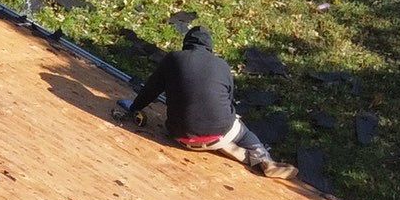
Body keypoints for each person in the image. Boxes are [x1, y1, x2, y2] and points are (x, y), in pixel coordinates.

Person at [116, 24, 281, 173]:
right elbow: (228, 100)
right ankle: (263, 158)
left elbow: (150, 91)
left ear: (186, 44)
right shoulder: (222, 65)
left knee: (195, 125)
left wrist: (133, 107)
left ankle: (219, 145)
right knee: (243, 133)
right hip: (221, 131)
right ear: (209, 48)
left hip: (181, 136)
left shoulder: (173, 58)